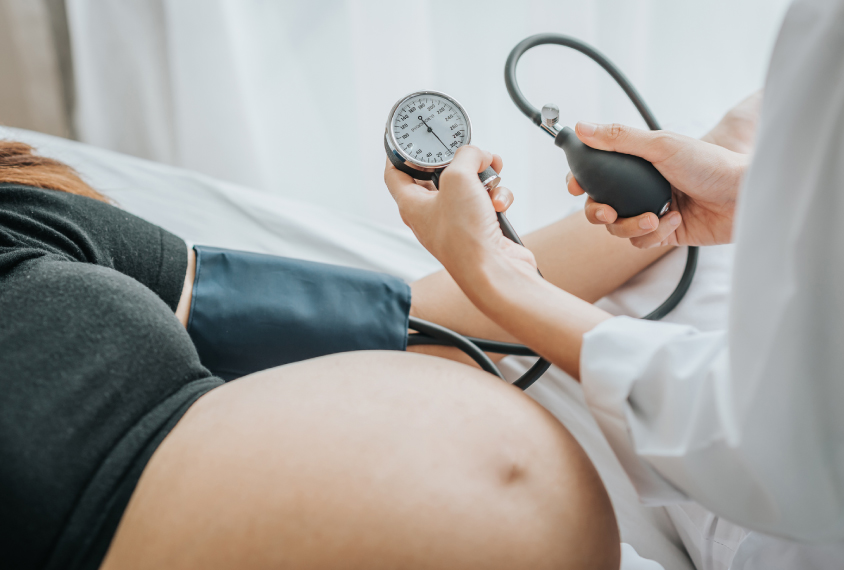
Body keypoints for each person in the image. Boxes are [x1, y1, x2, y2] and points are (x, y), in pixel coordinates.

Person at [386, 0, 844, 568]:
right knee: (405, 332)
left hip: (766, 503)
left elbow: (765, 438)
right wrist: (759, 195)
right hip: (767, 332)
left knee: (406, 340)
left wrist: (501, 279)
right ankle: (739, 151)